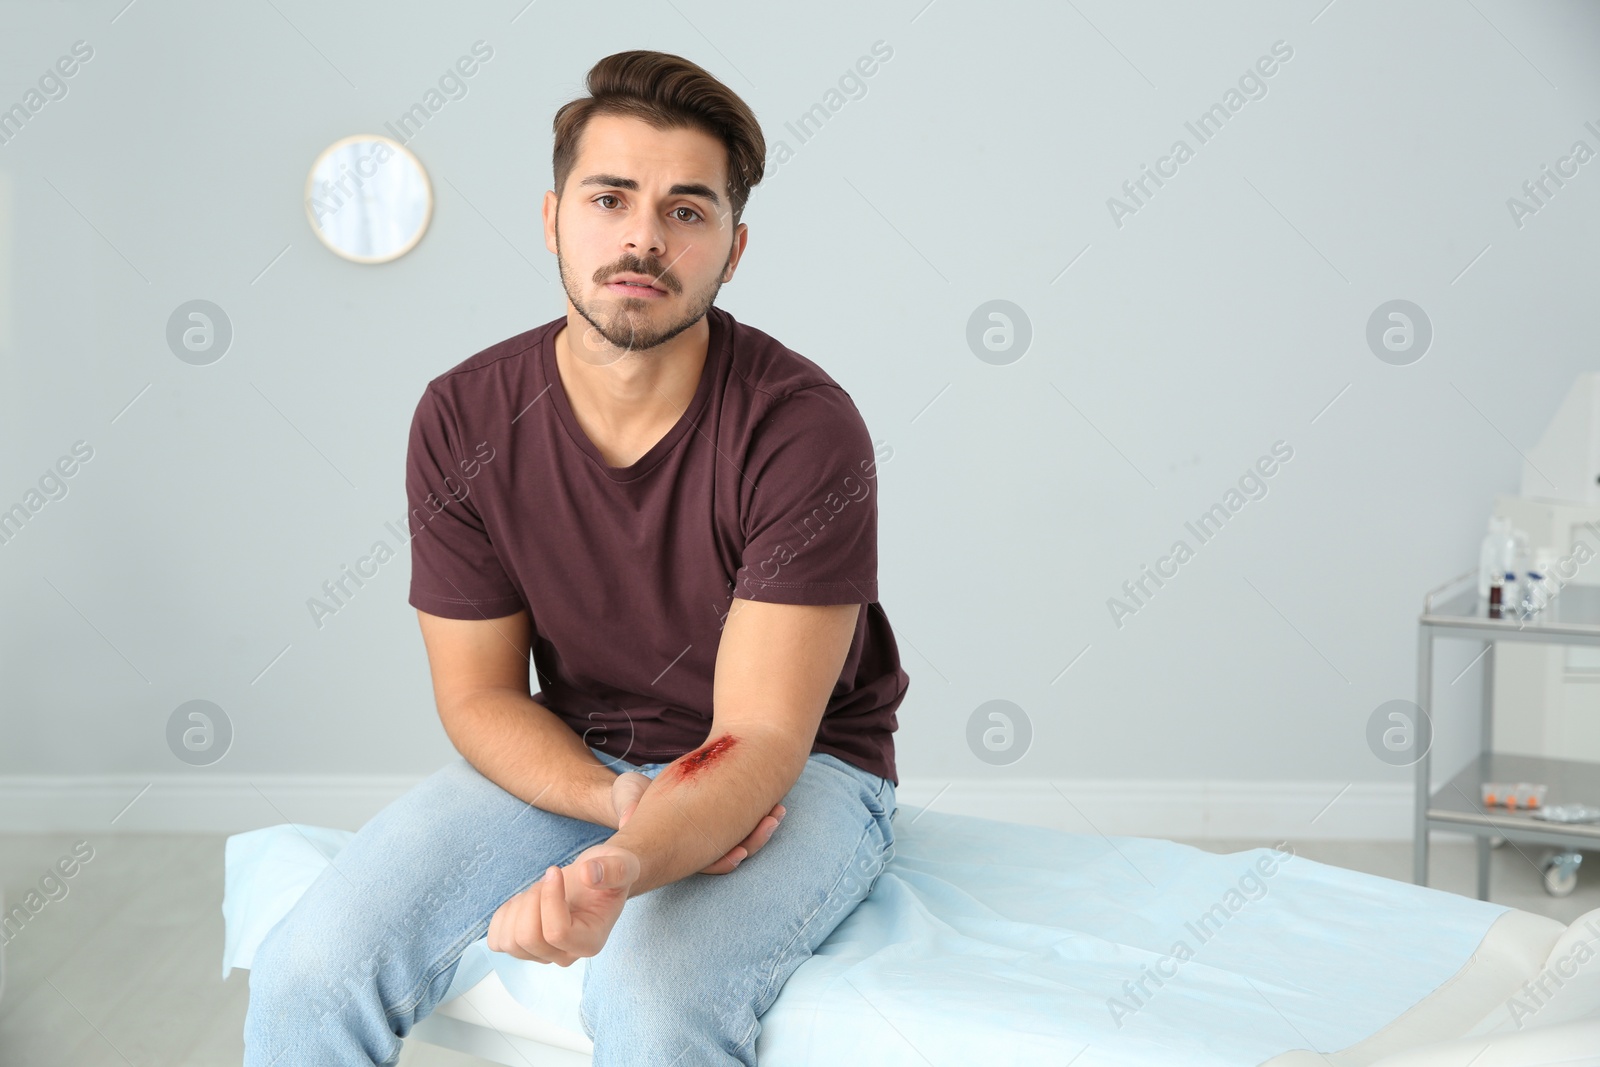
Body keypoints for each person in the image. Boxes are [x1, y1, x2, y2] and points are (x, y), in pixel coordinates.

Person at [243, 48, 909, 1066]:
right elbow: (478, 696)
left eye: (688, 211)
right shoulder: (463, 414)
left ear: (732, 249)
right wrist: (609, 803)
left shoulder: (800, 428)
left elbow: (763, 735)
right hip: (584, 749)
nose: (643, 236)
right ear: (554, 216)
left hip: (803, 768)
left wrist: (613, 870)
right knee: (310, 966)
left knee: (651, 995)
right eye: (610, 198)